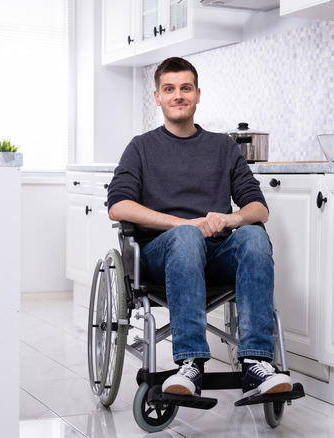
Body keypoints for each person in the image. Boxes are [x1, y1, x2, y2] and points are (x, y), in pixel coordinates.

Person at [106, 57, 292, 398]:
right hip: (161, 254)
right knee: (187, 236)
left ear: (198, 94)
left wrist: (232, 219)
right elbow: (118, 205)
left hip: (215, 253)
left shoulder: (223, 147)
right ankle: (190, 362)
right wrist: (182, 224)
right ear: (158, 97)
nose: (178, 95)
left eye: (185, 88)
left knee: (253, 234)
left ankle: (256, 363)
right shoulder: (141, 147)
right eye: (170, 89)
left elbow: (258, 207)